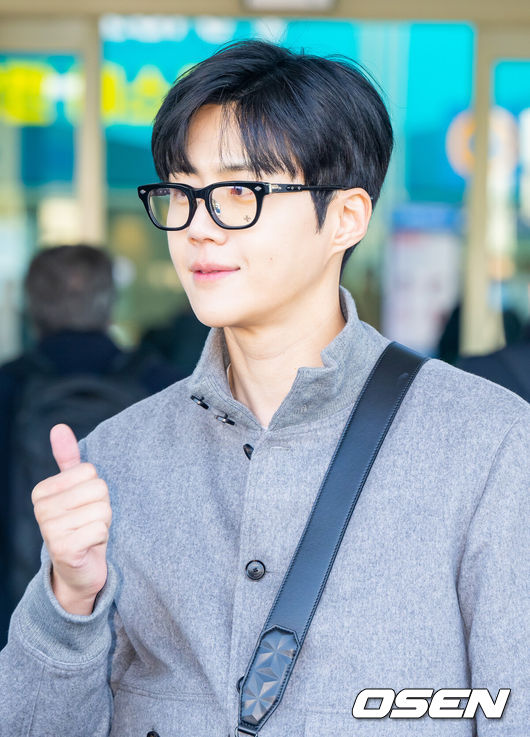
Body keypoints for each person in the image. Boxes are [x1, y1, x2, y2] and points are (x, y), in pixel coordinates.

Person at [0, 40, 528, 737]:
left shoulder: (487, 443)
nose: (198, 227)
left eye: (238, 193)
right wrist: (69, 598)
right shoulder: (115, 457)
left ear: (346, 217)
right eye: (182, 191)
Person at [0, 245, 184, 648]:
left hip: (19, 618)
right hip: (139, 633)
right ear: (111, 303)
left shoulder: (8, 388)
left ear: (31, 306)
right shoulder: (167, 387)